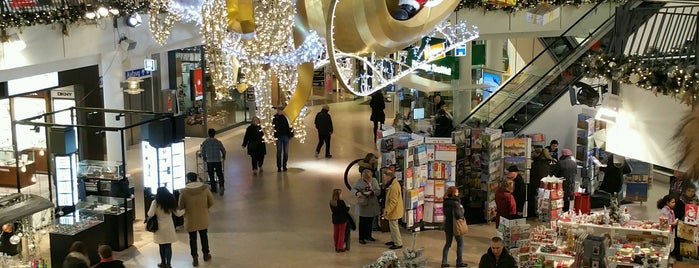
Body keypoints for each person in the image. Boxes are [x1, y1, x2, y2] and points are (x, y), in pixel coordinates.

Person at [179, 172, 214, 267]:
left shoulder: (184, 192)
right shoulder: (204, 189)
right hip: (203, 217)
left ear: (189, 180)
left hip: (190, 219)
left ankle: (195, 258)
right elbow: (211, 201)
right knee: (204, 236)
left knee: (192, 239)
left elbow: (180, 206)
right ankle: (206, 254)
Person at [148, 187, 185, 268]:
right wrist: (186, 210)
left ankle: (163, 262)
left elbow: (150, 214)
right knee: (168, 245)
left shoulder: (155, 202)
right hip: (169, 225)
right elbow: (178, 214)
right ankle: (169, 264)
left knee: (161, 245)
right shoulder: (170, 201)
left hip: (159, 227)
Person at [352, 169, 380, 244]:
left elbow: (378, 191)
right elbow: (353, 189)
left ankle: (368, 235)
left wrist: (372, 192)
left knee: (370, 221)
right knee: (362, 222)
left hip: (371, 204)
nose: (367, 180)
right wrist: (357, 193)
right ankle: (361, 237)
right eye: (366, 178)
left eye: (369, 178)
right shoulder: (358, 181)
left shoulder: (374, 181)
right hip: (363, 205)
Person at [442, 186, 466, 268]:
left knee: (448, 244)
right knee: (460, 244)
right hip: (456, 226)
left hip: (448, 226)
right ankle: (459, 262)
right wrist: (462, 210)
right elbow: (458, 215)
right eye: (457, 192)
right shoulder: (456, 203)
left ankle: (444, 262)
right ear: (453, 193)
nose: (458, 193)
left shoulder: (445, 202)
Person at [382, 168, 404, 249]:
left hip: (394, 211)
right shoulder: (393, 184)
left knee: (394, 227)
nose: (384, 178)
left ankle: (398, 243)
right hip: (393, 210)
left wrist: (387, 211)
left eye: (385, 177)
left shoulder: (394, 186)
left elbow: (393, 201)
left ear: (389, 177)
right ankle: (394, 240)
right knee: (392, 226)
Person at [200, 128, 226, 195]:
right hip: (218, 160)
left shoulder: (205, 142)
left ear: (208, 134)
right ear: (215, 134)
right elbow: (223, 150)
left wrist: (204, 157)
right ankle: (221, 186)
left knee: (211, 175)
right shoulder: (218, 142)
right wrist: (224, 156)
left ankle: (214, 188)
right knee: (220, 174)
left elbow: (203, 152)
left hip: (210, 161)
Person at [528, 148, 551, 217]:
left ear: (538, 153)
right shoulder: (546, 162)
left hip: (536, 185)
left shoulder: (539, 163)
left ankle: (533, 214)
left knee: (535, 201)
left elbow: (539, 175)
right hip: (541, 185)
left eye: (533, 152)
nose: (532, 154)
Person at [273, 106, 292, 172]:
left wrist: (290, 135)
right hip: (279, 137)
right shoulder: (275, 117)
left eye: (280, 110)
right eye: (278, 110)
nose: (279, 111)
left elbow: (290, 126)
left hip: (286, 136)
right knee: (279, 152)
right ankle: (279, 167)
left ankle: (284, 165)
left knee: (286, 152)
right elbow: (274, 126)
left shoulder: (286, 117)